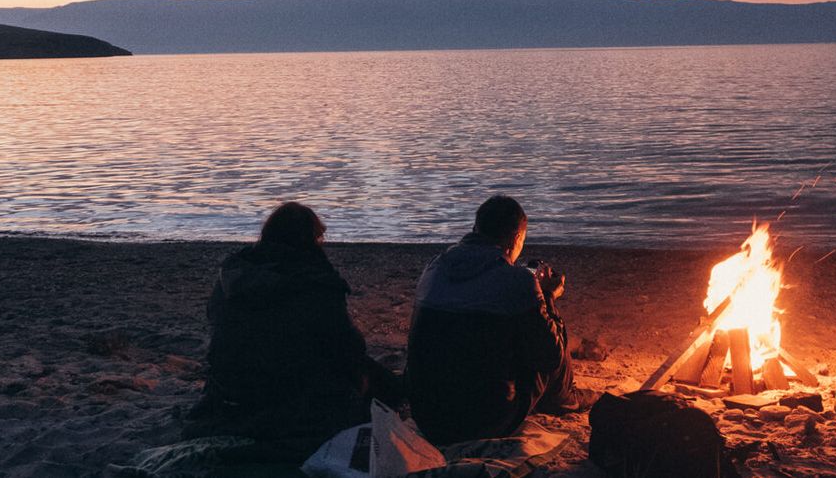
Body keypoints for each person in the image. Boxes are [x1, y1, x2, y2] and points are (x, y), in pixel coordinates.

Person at [186, 202, 402, 457]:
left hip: (230, 393)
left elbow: (217, 323)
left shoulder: (233, 278)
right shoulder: (314, 282)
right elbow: (348, 349)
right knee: (384, 384)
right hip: (287, 397)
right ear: (313, 239)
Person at [406, 194, 590, 444]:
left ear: (475, 229)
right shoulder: (518, 281)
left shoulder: (434, 267)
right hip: (485, 421)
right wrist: (547, 296)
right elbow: (549, 357)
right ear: (516, 238)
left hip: (427, 415)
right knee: (545, 344)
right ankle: (567, 399)